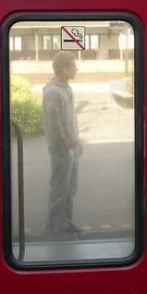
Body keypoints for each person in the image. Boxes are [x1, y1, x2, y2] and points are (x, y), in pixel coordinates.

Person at [43, 51, 83, 234]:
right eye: (73, 65)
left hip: (71, 146)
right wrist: (64, 144)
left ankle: (65, 222)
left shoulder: (67, 88)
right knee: (60, 189)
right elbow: (54, 123)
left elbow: (70, 120)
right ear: (63, 68)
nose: (76, 69)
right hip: (62, 149)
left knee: (70, 187)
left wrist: (76, 141)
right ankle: (52, 227)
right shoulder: (52, 92)